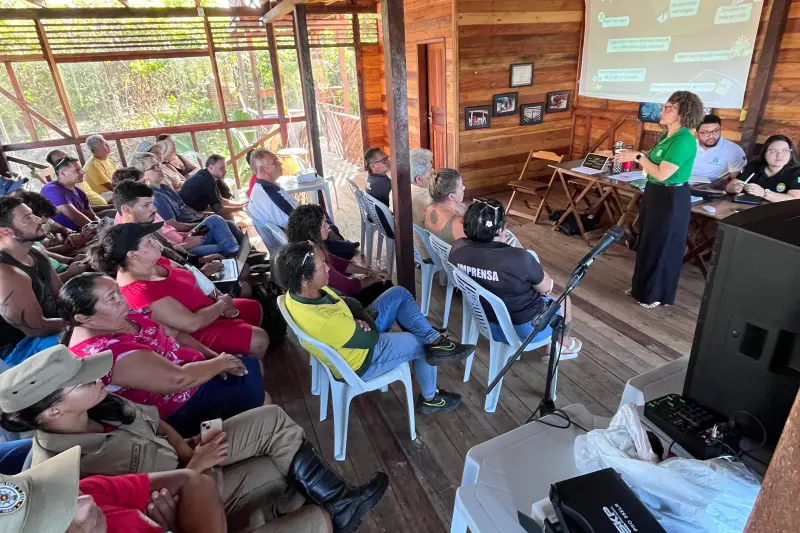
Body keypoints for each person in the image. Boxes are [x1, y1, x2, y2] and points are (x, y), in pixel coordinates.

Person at [0, 345, 388, 533]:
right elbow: (155, 511)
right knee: (281, 469)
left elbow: (156, 424)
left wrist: (190, 452)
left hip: (186, 460)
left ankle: (336, 501)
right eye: (84, 380)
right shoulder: (61, 476)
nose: (98, 379)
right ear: (52, 412)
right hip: (192, 494)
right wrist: (195, 467)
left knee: (271, 419)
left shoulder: (101, 405)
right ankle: (312, 507)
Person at [277, 241, 475, 414]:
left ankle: (435, 340)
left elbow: (348, 301)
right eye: (322, 266)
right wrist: (360, 317)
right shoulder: (325, 321)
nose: (328, 268)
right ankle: (431, 399)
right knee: (422, 344)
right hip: (363, 359)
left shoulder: (299, 294)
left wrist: (356, 315)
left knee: (398, 293)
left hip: (353, 336)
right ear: (306, 278)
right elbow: (370, 338)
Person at [60, 272, 264, 436]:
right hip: (178, 407)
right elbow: (177, 380)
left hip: (194, 373)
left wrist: (211, 357)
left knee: (249, 368)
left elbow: (176, 333)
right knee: (257, 385)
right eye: (110, 298)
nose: (121, 298)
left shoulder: (120, 315)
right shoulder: (105, 353)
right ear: (84, 318)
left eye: (117, 290)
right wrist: (219, 364)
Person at [89, 221, 269, 359]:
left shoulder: (154, 261)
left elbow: (194, 275)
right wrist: (222, 305)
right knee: (260, 339)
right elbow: (191, 324)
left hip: (210, 307)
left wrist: (218, 296)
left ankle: (245, 356)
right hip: (195, 332)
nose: (156, 243)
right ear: (133, 255)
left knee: (256, 308)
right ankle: (248, 372)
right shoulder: (138, 291)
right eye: (149, 241)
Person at [449, 199, 582, 357]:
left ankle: (555, 344)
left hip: (486, 322)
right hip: (527, 329)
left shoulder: (457, 250)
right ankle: (563, 343)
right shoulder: (519, 258)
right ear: (500, 228)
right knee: (564, 299)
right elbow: (546, 288)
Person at [0, 444, 231, 533]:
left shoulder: (88, 489)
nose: (88, 500)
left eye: (65, 492)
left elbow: (194, 481)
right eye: (62, 515)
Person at [614, 91, 705, 308]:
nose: (662, 111)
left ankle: (655, 294)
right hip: (655, 193)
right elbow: (652, 168)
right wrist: (635, 158)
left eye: (669, 108)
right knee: (647, 242)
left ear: (684, 112)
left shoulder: (685, 140)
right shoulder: (667, 136)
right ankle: (641, 288)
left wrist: (637, 157)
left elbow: (663, 173)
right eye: (664, 106)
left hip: (671, 197)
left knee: (663, 246)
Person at [248, 149, 357, 260]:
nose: (280, 163)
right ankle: (337, 241)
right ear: (263, 170)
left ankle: (337, 238)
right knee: (348, 250)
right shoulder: (269, 195)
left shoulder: (264, 188)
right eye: (274, 162)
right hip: (301, 247)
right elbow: (295, 227)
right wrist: (323, 231)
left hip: (300, 235)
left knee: (320, 211)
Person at [286, 204, 391, 306]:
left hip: (337, 296)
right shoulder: (315, 261)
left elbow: (337, 262)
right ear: (312, 232)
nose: (328, 226)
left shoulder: (308, 248)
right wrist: (373, 279)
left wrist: (368, 271)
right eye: (323, 224)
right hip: (343, 303)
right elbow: (349, 288)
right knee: (387, 285)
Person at [0, 195, 61, 367]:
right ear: (5, 231)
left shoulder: (37, 254)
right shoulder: (6, 272)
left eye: (33, 214)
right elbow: (36, 328)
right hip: (19, 350)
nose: (38, 219)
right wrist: (79, 321)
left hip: (51, 329)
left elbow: (60, 294)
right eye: (27, 218)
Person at [114, 178, 240, 258]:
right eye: (147, 205)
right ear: (126, 209)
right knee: (221, 247)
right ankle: (238, 257)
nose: (154, 209)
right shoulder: (131, 233)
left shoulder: (145, 217)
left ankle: (239, 256)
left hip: (184, 239)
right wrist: (187, 244)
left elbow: (167, 237)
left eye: (152, 203)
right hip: (185, 249)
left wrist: (187, 235)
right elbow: (165, 253)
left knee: (215, 219)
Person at [726, 134, 800, 202]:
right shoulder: (754, 166)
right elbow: (729, 187)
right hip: (749, 208)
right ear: (765, 154)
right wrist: (735, 188)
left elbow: (795, 199)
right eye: (773, 151)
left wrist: (764, 193)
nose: (780, 155)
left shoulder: (797, 172)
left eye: (785, 150)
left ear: (791, 153)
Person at [179, 154, 247, 219]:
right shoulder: (206, 181)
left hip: (193, 208)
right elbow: (219, 210)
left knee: (228, 211)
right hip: (187, 213)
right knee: (227, 214)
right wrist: (241, 208)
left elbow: (221, 200)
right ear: (211, 168)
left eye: (225, 168)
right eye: (222, 168)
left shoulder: (207, 174)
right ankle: (234, 230)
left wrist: (241, 204)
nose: (225, 171)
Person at [41, 155, 99, 231]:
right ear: (63, 174)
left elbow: (92, 215)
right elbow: (76, 217)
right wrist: (101, 230)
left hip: (83, 228)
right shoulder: (51, 190)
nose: (82, 172)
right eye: (77, 170)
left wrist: (102, 224)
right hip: (68, 235)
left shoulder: (79, 192)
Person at [46, 149, 111, 212]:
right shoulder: (69, 184)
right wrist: (110, 206)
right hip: (99, 210)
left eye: (67, 156)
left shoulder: (78, 178)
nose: (68, 159)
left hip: (103, 204)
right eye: (62, 160)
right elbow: (83, 210)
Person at [691, 114, 746, 187]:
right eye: (705, 132)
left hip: (713, 189)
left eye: (715, 131)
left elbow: (735, 182)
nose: (711, 136)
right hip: (682, 184)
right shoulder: (687, 145)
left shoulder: (733, 150)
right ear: (696, 134)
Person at [424, 168, 467, 244]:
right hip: (454, 255)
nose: (464, 187)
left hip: (437, 254)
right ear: (451, 196)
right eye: (460, 186)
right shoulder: (458, 223)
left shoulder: (429, 208)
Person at [363, 147, 395, 240]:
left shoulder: (371, 178)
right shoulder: (386, 184)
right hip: (388, 225)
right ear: (373, 166)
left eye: (387, 157)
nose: (388, 161)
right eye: (384, 160)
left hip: (375, 218)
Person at [410, 148, 435, 261]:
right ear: (419, 179)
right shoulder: (426, 199)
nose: (434, 171)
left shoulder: (395, 191)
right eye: (430, 170)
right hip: (429, 253)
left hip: (411, 248)